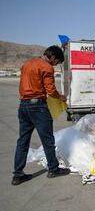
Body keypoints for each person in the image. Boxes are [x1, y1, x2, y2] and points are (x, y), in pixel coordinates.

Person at [12, 45, 71, 186]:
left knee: (22, 141)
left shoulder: (27, 64)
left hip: (23, 106)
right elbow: (50, 90)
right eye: (56, 63)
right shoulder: (46, 67)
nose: (55, 65)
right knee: (47, 140)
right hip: (38, 107)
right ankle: (53, 169)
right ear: (53, 58)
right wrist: (61, 97)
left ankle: (18, 175)